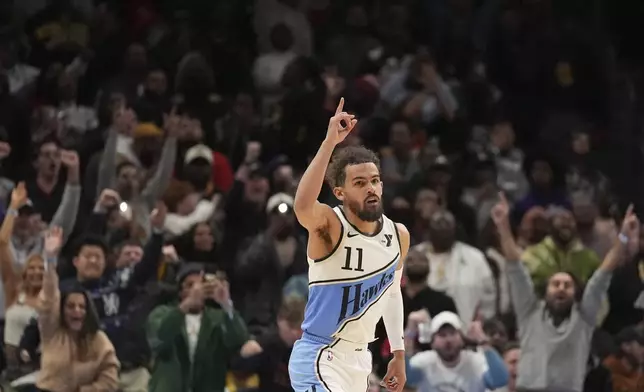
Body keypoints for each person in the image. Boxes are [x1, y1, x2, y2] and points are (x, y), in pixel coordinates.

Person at [289, 98, 408, 392]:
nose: (371, 188)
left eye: (375, 180)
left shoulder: (399, 234)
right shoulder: (330, 225)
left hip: (360, 362)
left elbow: (392, 295)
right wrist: (329, 143)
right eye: (360, 183)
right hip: (320, 355)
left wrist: (399, 353)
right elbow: (303, 205)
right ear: (339, 192)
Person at [36, 227, 120, 392]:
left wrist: (87, 390)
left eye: (82, 307)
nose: (77, 311)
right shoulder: (52, 331)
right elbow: (48, 301)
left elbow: (110, 379)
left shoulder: (98, 339)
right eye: (71, 306)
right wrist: (50, 260)